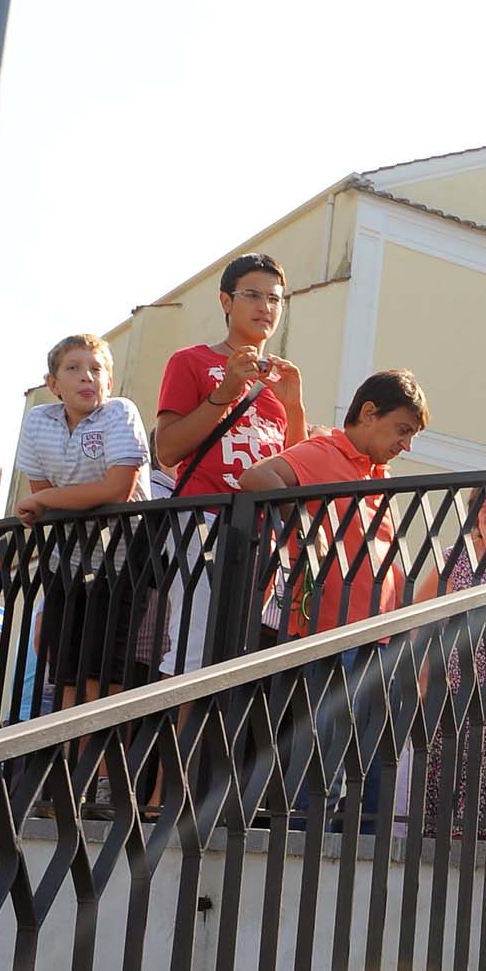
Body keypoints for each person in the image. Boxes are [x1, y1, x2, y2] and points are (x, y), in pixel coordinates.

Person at [153, 253, 306, 670]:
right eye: (253, 295)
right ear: (226, 301)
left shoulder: (279, 381)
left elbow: (295, 470)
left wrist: (294, 407)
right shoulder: (191, 361)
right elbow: (167, 449)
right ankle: (177, 718)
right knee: (194, 651)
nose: (265, 307)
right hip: (204, 518)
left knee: (237, 657)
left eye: (274, 299)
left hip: (261, 531)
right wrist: (225, 393)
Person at [15, 331, 152, 709]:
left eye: (96, 369)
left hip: (123, 558)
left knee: (106, 669)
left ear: (110, 380)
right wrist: (48, 500)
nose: (86, 377)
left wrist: (45, 500)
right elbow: (45, 497)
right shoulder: (39, 421)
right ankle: (73, 745)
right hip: (68, 557)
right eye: (73, 368)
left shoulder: (120, 413)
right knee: (66, 669)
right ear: (53, 383)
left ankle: (103, 748)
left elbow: (117, 490)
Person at [237, 367, 428, 630]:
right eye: (402, 430)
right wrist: (305, 523)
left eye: (411, 436)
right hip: (323, 632)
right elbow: (255, 475)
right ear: (369, 413)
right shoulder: (325, 452)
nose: (406, 445)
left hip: (372, 633)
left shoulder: (380, 475)